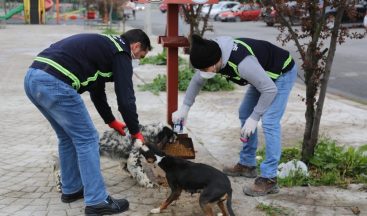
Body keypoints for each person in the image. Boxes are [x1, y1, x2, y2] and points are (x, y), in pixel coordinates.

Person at [24, 29, 151, 215]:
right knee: (88, 139)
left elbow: (97, 91)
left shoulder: (106, 46)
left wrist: (111, 121)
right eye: (140, 56)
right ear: (136, 46)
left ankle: (71, 188)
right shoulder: (122, 52)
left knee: (67, 137)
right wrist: (135, 131)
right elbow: (126, 99)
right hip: (54, 82)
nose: (137, 60)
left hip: (32, 78)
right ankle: (97, 201)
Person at [172, 34, 297, 197]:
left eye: (206, 68)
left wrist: (255, 117)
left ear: (217, 60)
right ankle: (247, 164)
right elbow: (197, 81)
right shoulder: (209, 53)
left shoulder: (242, 64)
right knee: (245, 112)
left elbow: (269, 89)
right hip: (261, 75)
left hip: (280, 74)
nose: (205, 72)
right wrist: (185, 108)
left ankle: (269, 178)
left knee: (269, 121)